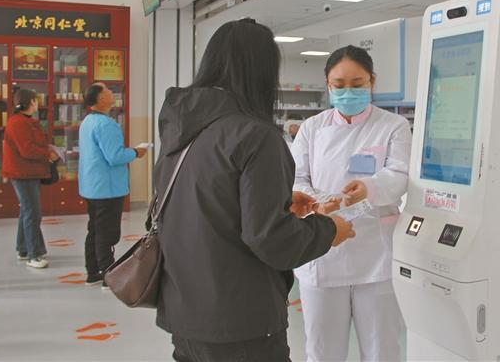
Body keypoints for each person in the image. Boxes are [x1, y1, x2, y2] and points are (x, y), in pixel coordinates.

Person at [154, 18, 355, 362]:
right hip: (239, 320)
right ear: (262, 72)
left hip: (184, 312)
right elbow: (270, 239)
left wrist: (278, 200)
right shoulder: (255, 135)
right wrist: (328, 230)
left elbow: (201, 202)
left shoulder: (181, 128)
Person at [292, 45, 412, 362]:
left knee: (382, 351)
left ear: (372, 81)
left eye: (357, 84)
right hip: (322, 251)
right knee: (323, 352)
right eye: (339, 85)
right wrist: (318, 203)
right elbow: (296, 179)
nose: (348, 92)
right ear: (328, 84)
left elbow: (400, 175)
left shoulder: (393, 126)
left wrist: (369, 188)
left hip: (375, 255)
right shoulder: (312, 128)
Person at [79, 82, 146, 286]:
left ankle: (93, 272)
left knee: (95, 229)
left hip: (92, 186)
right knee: (106, 233)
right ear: (101, 99)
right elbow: (115, 157)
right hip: (107, 188)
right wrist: (135, 152)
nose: (111, 92)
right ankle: (109, 275)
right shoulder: (106, 124)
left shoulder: (87, 121)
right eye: (107, 90)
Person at [2, 89, 59, 269]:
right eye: (36, 100)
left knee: (26, 211)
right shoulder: (18, 123)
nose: (37, 104)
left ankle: (23, 249)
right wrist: (48, 154)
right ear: (31, 102)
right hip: (23, 173)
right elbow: (27, 150)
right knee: (33, 213)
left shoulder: (23, 121)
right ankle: (34, 255)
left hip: (29, 172)